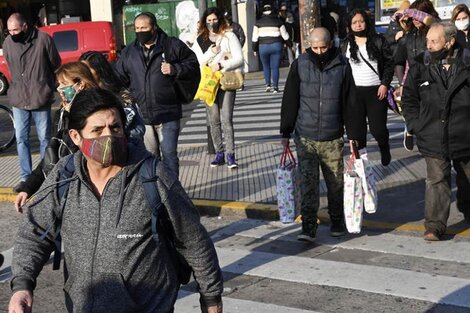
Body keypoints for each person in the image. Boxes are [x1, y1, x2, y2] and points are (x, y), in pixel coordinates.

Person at [8, 88, 224, 313]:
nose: (108, 136)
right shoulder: (64, 175)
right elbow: (34, 231)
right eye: (97, 130)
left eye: (115, 127)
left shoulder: (153, 176)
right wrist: (22, 285)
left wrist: (211, 299)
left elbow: (193, 240)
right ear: (75, 136)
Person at [14, 61, 144, 212]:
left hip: (96, 189)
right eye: (58, 84)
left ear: (80, 85)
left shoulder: (103, 112)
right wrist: (29, 187)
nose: (59, 89)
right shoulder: (62, 114)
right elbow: (52, 155)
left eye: (64, 84)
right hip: (65, 188)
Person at [401, 22, 470, 241]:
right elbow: (409, 97)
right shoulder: (421, 63)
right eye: (428, 40)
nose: (429, 45)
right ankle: (434, 225)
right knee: (436, 179)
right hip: (431, 132)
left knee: (468, 178)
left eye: (434, 41)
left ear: (449, 42)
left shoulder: (467, 62)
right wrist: (414, 124)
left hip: (464, 133)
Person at [114, 11, 200, 178]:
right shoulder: (129, 52)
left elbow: (193, 65)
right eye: (137, 28)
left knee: (169, 154)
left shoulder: (172, 45)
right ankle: (156, 193)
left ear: (153, 28)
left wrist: (175, 69)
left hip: (168, 112)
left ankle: (173, 192)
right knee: (150, 157)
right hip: (143, 115)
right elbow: (118, 77)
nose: (140, 31)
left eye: (144, 28)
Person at [281, 27, 347, 242]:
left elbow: (350, 102)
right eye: (315, 47)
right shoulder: (299, 64)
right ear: (309, 45)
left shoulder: (342, 65)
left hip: (333, 135)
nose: (319, 51)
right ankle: (308, 226)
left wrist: (355, 135)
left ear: (331, 44)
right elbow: (290, 99)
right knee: (308, 183)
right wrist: (285, 131)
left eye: (323, 47)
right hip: (305, 135)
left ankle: (337, 220)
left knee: (335, 183)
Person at [4, 13, 61, 191]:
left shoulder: (44, 39)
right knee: (21, 139)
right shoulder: (7, 43)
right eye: (10, 30)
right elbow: (10, 65)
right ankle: (26, 178)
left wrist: (46, 84)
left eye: (16, 29)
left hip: (40, 96)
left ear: (25, 26)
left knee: (44, 138)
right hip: (19, 98)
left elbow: (55, 63)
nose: (13, 33)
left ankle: (45, 176)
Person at [341, 9, 394, 166]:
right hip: (354, 93)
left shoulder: (378, 40)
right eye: (354, 22)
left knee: (378, 129)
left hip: (376, 91)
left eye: (361, 21)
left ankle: (384, 146)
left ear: (366, 22)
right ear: (349, 25)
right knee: (358, 133)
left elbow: (389, 63)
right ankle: (361, 163)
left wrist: (384, 84)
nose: (358, 25)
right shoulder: (345, 44)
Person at [192, 7, 244, 169]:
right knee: (213, 120)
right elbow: (197, 61)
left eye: (214, 20)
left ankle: (230, 155)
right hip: (208, 83)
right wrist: (210, 52)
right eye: (208, 21)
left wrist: (221, 64)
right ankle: (219, 153)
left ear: (220, 20)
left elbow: (239, 59)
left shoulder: (229, 36)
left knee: (226, 119)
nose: (211, 23)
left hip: (226, 81)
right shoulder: (200, 39)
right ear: (204, 22)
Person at [394, 0, 439, 151]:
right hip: (413, 81)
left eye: (418, 16)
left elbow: (436, 24)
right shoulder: (407, 37)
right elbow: (398, 61)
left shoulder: (436, 32)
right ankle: (411, 129)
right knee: (413, 110)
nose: (416, 20)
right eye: (413, 17)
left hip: (434, 79)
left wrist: (415, 14)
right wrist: (402, 83)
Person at [79, 51, 145, 140]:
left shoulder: (120, 95)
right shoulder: (83, 95)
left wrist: (119, 137)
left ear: (98, 69)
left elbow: (139, 128)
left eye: (87, 69)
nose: (83, 74)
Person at [252, 4, 289, 93]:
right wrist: (289, 44)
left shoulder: (258, 23)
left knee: (266, 66)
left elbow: (254, 38)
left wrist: (254, 49)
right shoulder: (279, 22)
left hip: (263, 46)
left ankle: (267, 85)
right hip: (276, 45)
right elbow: (285, 35)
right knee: (275, 67)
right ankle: (275, 87)